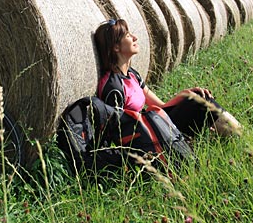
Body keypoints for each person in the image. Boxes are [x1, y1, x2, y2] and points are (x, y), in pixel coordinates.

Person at [94, 19, 241, 137]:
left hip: (155, 123)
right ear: (116, 47)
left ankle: (232, 132)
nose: (135, 37)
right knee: (200, 103)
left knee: (197, 97)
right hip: (148, 136)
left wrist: (184, 95)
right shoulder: (113, 87)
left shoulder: (132, 75)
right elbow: (116, 132)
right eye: (127, 35)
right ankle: (237, 134)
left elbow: (161, 106)